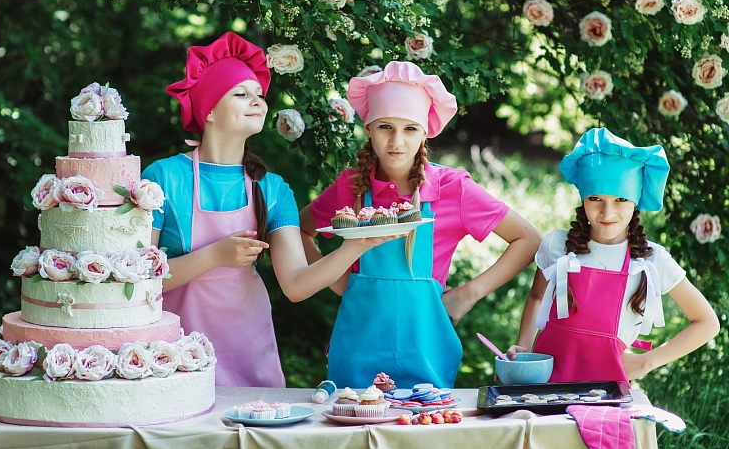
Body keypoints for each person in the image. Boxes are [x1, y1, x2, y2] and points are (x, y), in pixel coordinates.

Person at [143, 32, 397, 387]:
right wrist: (216, 255)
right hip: (175, 351)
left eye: (259, 95)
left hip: (247, 344)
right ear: (209, 110)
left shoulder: (273, 189)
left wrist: (356, 246)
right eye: (241, 94)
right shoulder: (162, 178)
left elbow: (295, 285)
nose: (258, 102)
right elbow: (136, 282)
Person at [299, 61, 542, 388]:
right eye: (385, 126)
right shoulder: (351, 188)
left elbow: (528, 239)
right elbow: (300, 229)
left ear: (425, 132)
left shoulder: (453, 190)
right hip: (356, 353)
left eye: (410, 128)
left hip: (427, 355)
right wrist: (335, 277)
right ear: (368, 129)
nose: (396, 141)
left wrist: (470, 293)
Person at [507, 128, 719, 384]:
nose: (608, 212)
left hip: (606, 394)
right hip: (544, 387)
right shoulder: (556, 245)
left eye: (620, 199)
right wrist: (524, 348)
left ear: (636, 202)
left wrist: (645, 362)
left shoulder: (652, 260)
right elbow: (537, 296)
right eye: (595, 198)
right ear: (583, 199)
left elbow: (707, 322)